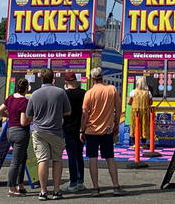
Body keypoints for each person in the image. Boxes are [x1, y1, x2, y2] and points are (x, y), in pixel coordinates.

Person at [25, 68, 71, 201]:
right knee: (57, 160)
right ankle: (56, 191)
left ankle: (43, 191)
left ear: (41, 79)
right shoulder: (60, 93)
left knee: (42, 160)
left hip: (39, 131)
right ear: (53, 79)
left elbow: (29, 115)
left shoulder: (34, 94)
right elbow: (68, 111)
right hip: (56, 131)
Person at [80, 66, 123, 196]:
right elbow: (118, 108)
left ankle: (95, 188)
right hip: (107, 130)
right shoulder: (112, 89)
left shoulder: (89, 93)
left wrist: (82, 130)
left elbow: (85, 114)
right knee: (110, 158)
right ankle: (115, 186)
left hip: (91, 130)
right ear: (102, 76)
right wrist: (115, 124)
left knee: (93, 158)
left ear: (92, 78)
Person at [0, 77, 31, 197]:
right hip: (20, 133)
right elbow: (23, 122)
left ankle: (20, 184)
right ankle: (12, 188)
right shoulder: (24, 102)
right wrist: (31, 119)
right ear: (26, 88)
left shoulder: (10, 98)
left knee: (22, 158)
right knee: (16, 161)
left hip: (10, 131)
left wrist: (9, 116)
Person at [62, 71, 85, 192]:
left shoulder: (64, 94)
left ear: (66, 82)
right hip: (81, 128)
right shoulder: (83, 93)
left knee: (72, 156)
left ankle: (73, 183)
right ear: (76, 80)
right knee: (79, 155)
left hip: (68, 128)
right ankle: (80, 181)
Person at [128, 75, 152, 147]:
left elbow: (129, 102)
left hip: (135, 112)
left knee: (134, 126)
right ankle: (144, 143)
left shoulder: (133, 92)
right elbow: (151, 103)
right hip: (145, 112)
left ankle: (135, 143)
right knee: (144, 127)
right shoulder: (148, 93)